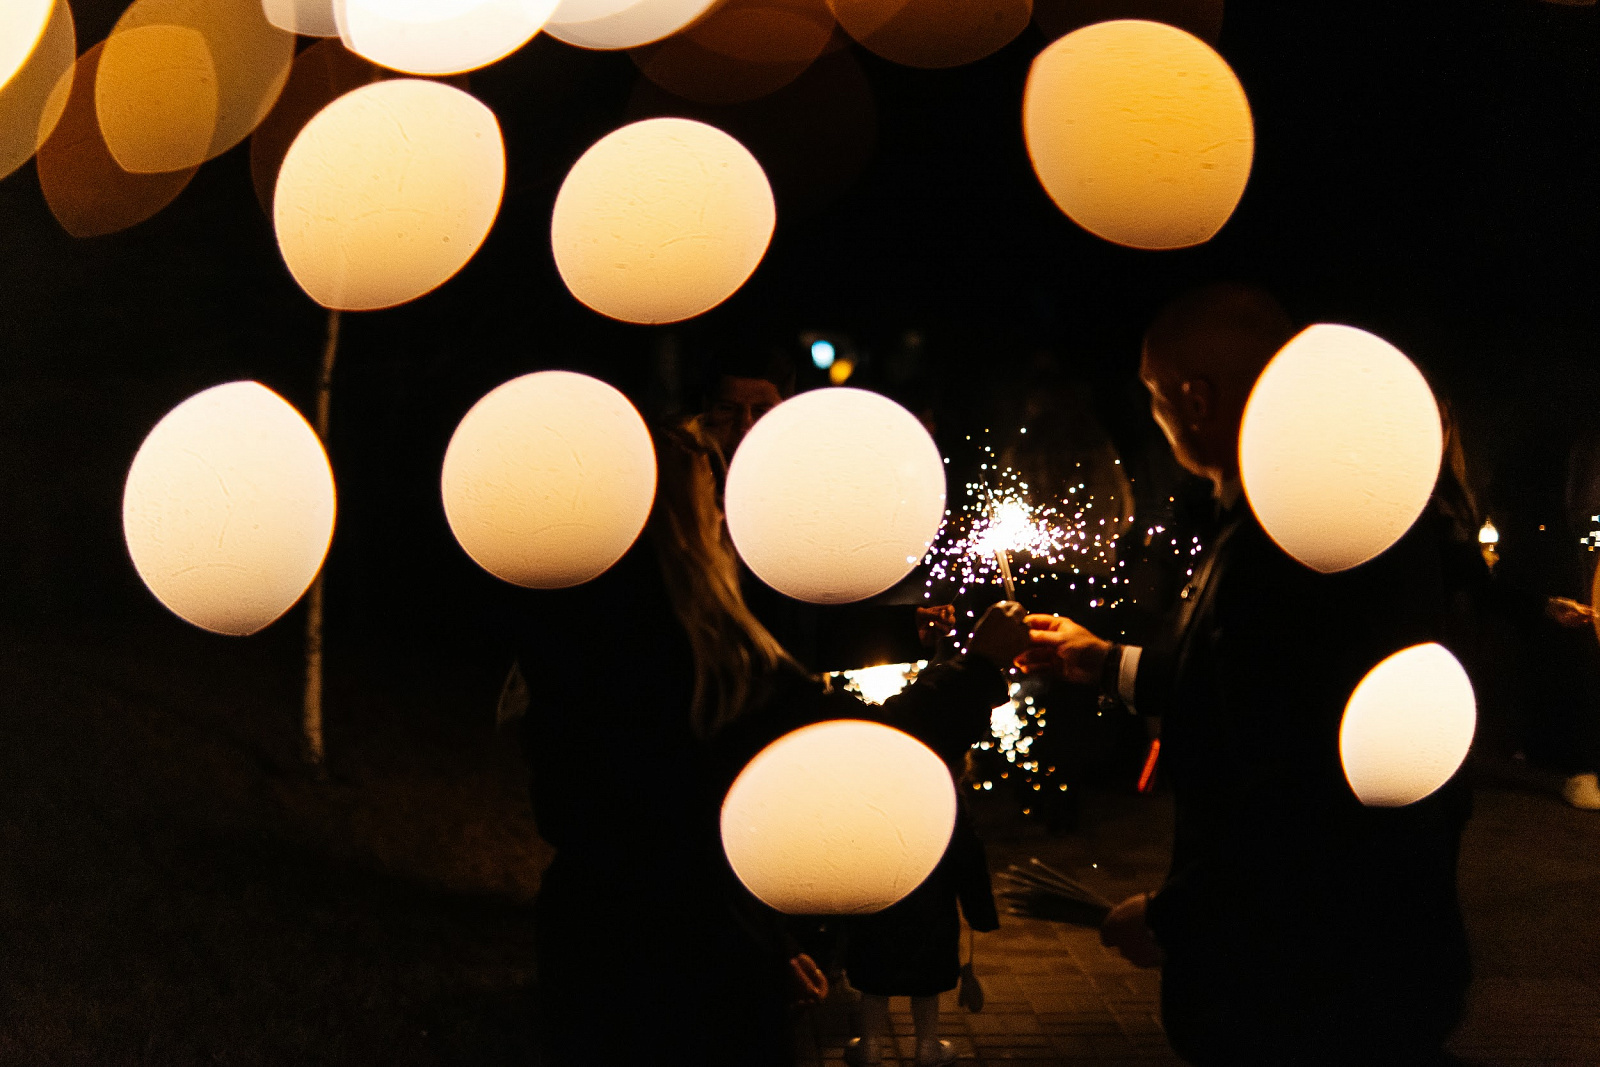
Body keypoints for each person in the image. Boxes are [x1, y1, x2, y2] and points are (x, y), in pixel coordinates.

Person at [1018, 283, 1472, 1064]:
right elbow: (1256, 690)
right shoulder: (1334, 522)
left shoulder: (1280, 549)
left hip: (1302, 990)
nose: (1154, 418)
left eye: (1155, 396)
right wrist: (1107, 663)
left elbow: (1298, 782)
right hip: (1371, 963)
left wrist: (1176, 915)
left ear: (1196, 400)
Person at [518, 417, 1029, 1065]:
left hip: (591, 947)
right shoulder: (708, 663)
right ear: (676, 526)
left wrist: (773, 941)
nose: (724, 520)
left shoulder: (575, 639)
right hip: (692, 969)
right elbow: (867, 747)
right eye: (710, 502)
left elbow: (682, 819)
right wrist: (980, 666)